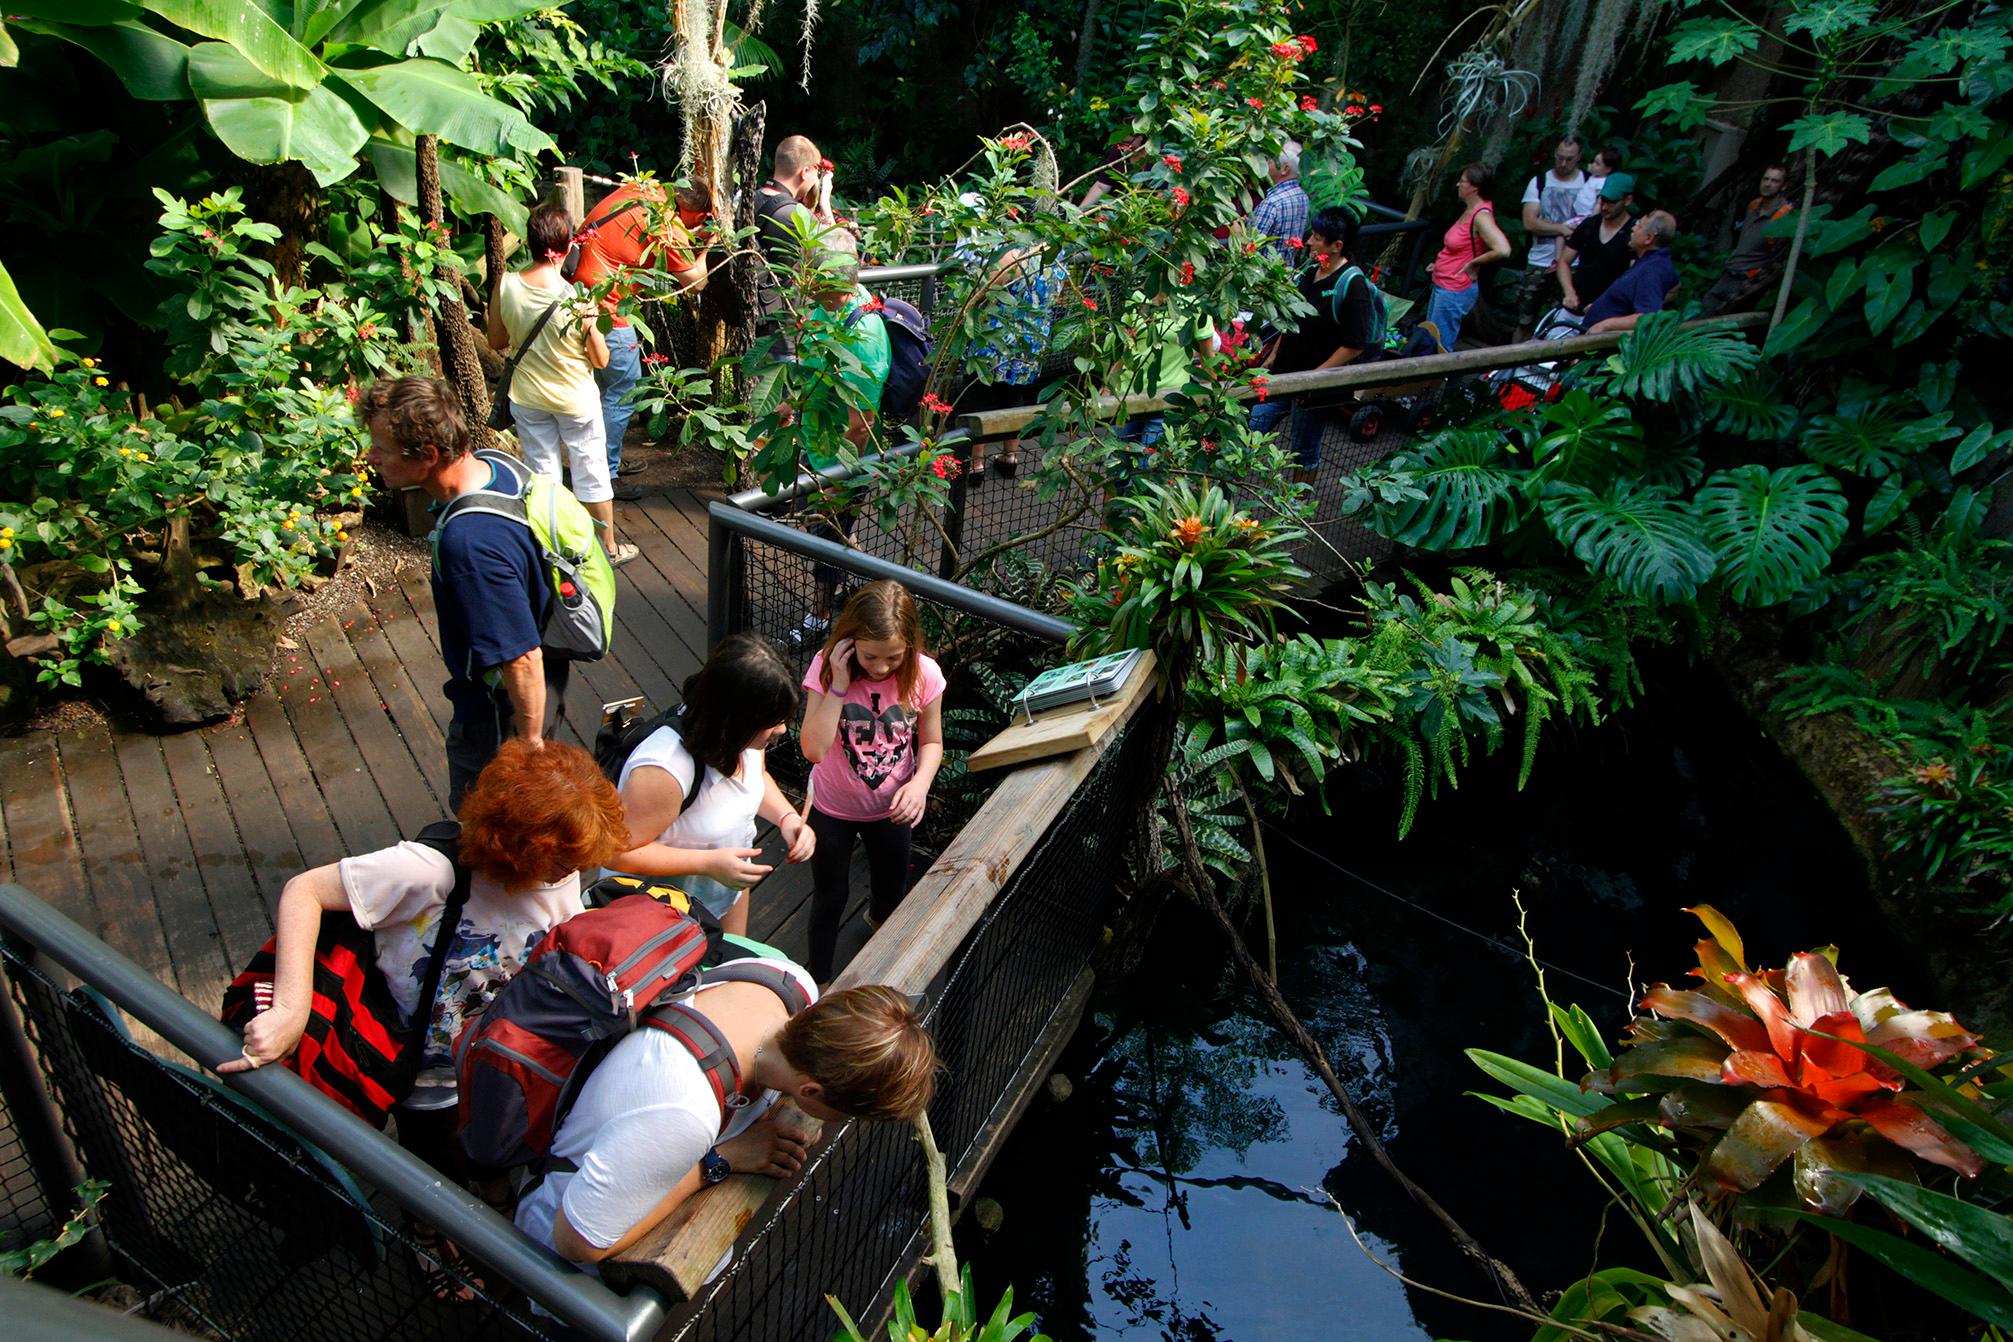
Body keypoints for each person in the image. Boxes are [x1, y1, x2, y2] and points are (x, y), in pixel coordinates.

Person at [222, 739, 626, 1187]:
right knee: (433, 1165)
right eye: (563, 860)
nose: (573, 871)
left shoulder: (561, 874)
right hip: (408, 1064)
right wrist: (289, 1010)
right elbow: (306, 890)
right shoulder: (429, 872)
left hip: (478, 1063)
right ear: (518, 847)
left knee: (482, 1148)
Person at [516, 979, 936, 1268]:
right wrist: (719, 1161)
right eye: (844, 1114)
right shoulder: (686, 1112)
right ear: (810, 1091)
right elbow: (578, 1243)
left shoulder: (785, 983)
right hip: (554, 1252)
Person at [361, 377, 566, 806]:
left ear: (429, 455)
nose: (371, 457)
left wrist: (528, 749)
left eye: (382, 449)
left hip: (500, 714)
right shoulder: (498, 468)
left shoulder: (470, 545)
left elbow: (522, 658)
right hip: (549, 679)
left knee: (486, 821)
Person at [609, 635, 815, 938]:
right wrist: (708, 864)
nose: (782, 730)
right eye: (774, 721)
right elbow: (615, 853)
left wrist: (787, 818)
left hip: (723, 895)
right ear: (736, 719)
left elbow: (754, 778)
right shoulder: (664, 770)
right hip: (660, 920)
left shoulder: (745, 741)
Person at [799, 581, 946, 983]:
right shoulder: (827, 667)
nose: (880, 668)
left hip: (891, 809)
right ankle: (820, 981)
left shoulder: (924, 674)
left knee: (891, 888)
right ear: (850, 644)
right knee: (830, 896)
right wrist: (839, 684)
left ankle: (880, 938)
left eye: (893, 658)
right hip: (831, 807)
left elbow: (932, 741)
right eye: (870, 656)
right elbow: (813, 749)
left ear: (910, 648)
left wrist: (919, 785)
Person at [485, 203, 636, 568]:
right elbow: (601, 360)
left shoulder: (506, 285)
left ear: (530, 243)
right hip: (575, 400)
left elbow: (496, 340)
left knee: (543, 475)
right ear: (568, 246)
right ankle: (607, 549)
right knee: (591, 471)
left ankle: (549, 550)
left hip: (528, 398)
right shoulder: (578, 300)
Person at [572, 180, 712, 498]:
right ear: (695, 212)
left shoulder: (644, 188)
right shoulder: (665, 224)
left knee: (601, 390)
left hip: (578, 298)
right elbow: (696, 282)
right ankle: (604, 476)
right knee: (624, 389)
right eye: (702, 219)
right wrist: (707, 246)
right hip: (607, 310)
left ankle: (597, 463)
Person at [784, 240, 890, 648]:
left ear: (836, 285)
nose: (805, 287)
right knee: (826, 529)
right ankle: (858, 578)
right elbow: (813, 364)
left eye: (813, 281)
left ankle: (820, 616)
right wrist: (791, 402)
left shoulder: (864, 336)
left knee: (827, 536)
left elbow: (860, 425)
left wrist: (837, 480)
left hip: (844, 458)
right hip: (817, 440)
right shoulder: (826, 310)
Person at [1251, 208, 1384, 483]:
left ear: (1337, 246)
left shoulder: (1353, 286)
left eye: (1317, 237)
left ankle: (1297, 504)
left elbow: (1354, 345)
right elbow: (1293, 317)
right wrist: (1273, 355)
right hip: (1284, 373)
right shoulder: (1310, 270)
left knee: (1304, 449)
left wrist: (1314, 379)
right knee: (1254, 426)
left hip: (1315, 388)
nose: (1309, 241)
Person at [955, 237, 1069, 480]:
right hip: (1033, 339)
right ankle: (1010, 457)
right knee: (1015, 395)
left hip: (997, 337)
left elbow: (983, 290)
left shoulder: (1013, 255)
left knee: (980, 396)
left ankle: (976, 463)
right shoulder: (1058, 255)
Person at [1423, 163, 1512, 350]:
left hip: (1454, 289)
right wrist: (1439, 263)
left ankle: (1441, 371)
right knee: (1429, 337)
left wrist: (1473, 263)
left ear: (1474, 188)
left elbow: (1503, 249)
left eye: (1462, 181)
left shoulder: (1481, 216)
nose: (1458, 184)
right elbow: (1461, 247)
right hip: (1444, 283)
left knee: (1439, 345)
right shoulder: (1469, 211)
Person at [753, 135, 838, 330]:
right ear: (805, 171)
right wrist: (824, 203)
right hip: (784, 328)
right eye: (816, 172)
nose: (816, 180)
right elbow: (839, 260)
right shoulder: (797, 215)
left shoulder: (748, 199)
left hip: (751, 317)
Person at [1514, 137, 1588, 338]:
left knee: (1563, 319)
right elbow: (1530, 222)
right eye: (1560, 157)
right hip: (1539, 260)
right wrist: (1563, 229)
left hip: (1574, 262)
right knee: (1524, 319)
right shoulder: (1540, 182)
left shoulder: (1588, 182)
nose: (1563, 163)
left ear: (1579, 157)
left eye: (1569, 159)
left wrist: (1548, 227)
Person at [1700, 164, 1794, 316]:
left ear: (1784, 186)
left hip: (1749, 280)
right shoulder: (1753, 205)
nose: (1768, 184)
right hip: (1730, 273)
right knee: (1703, 310)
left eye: (1775, 181)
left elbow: (1779, 257)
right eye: (1766, 179)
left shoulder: (1785, 216)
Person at [1553, 172, 1638, 319]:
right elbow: (1564, 262)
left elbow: (1633, 278)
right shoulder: (1589, 225)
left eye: (1612, 202)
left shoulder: (1634, 234)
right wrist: (1569, 292)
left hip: (1609, 315)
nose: (1604, 207)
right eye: (1602, 200)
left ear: (1627, 200)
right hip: (1574, 307)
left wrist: (1607, 303)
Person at [1581, 210, 1680, 334]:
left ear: (1649, 238)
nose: (1633, 228)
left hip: (1605, 341)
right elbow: (1675, 286)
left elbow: (1648, 316)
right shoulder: (1655, 261)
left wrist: (1606, 325)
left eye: (1639, 225)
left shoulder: (1651, 271)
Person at [1247, 141, 1310, 265]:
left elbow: (1249, 247)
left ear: (1285, 169)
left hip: (1264, 273)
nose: (1265, 164)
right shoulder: (1302, 196)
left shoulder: (1272, 203)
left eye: (1270, 161)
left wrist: (1238, 231)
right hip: (1285, 272)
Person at [1078, 134, 1146, 211]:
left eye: (1127, 143)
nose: (1124, 147)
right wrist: (1079, 213)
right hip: (1118, 208)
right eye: (1121, 143)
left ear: (1140, 137)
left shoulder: (1155, 154)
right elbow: (1101, 186)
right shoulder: (1118, 151)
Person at [1571, 146, 1625, 224]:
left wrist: (1592, 220)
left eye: (1597, 164)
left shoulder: (1602, 183)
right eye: (1593, 161)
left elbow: (1599, 203)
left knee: (1563, 227)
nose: (1593, 165)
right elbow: (1589, 168)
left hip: (1586, 217)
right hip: (1578, 214)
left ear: (1608, 169)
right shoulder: (1596, 175)